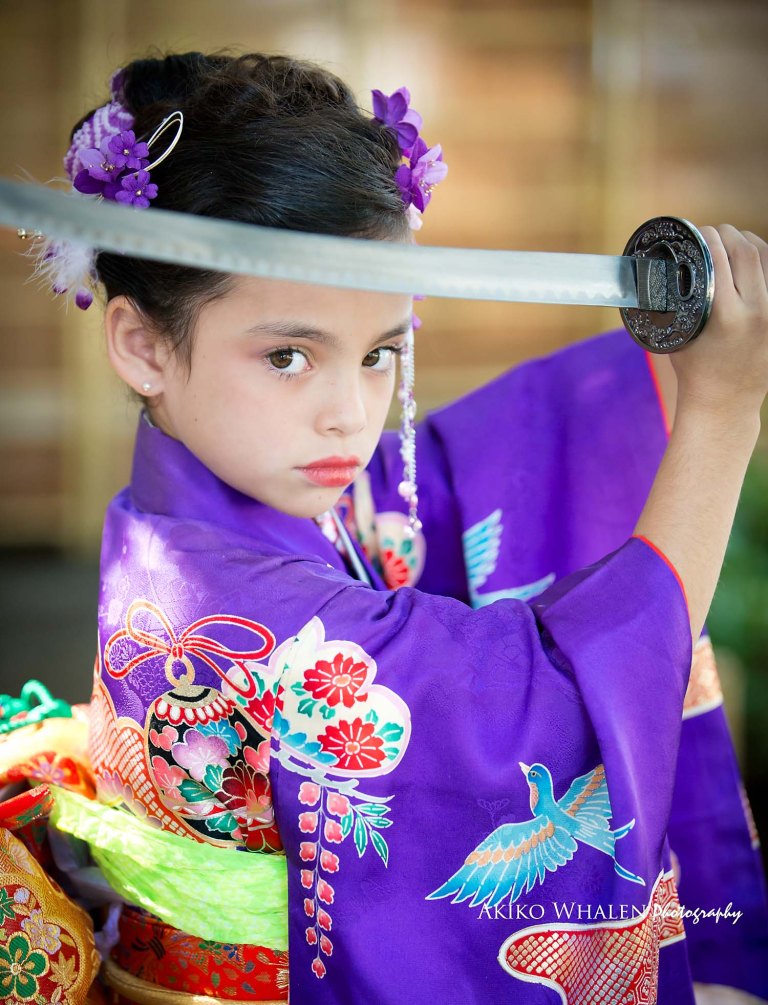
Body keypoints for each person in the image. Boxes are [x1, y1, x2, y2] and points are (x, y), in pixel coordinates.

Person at [2, 50, 767, 1005]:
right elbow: (561, 704)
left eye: (378, 354)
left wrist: (664, 367)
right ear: (142, 344)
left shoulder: (213, 499)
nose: (349, 417)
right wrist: (722, 416)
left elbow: (448, 480)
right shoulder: (242, 611)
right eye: (288, 355)